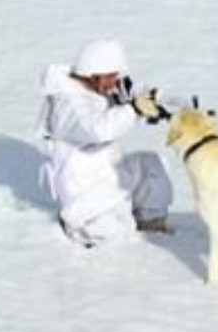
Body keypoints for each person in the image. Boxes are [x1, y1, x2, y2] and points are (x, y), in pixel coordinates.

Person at [39, 39, 171, 246]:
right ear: (94, 74)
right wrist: (134, 109)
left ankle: (151, 224)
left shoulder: (98, 89)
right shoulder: (67, 105)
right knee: (115, 236)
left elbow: (129, 90)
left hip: (109, 174)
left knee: (150, 166)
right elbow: (98, 129)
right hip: (85, 194)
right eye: (111, 77)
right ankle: (80, 228)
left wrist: (152, 98)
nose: (114, 83)